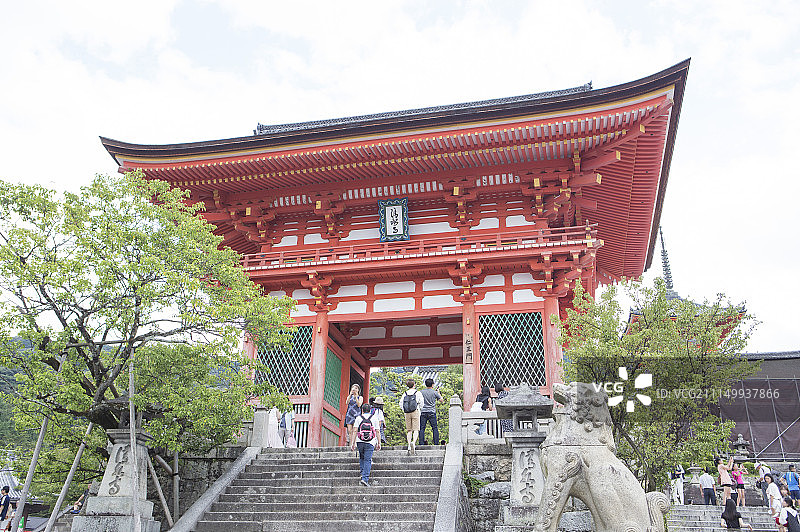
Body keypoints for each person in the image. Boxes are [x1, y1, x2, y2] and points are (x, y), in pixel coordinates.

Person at [351, 403, 381, 487]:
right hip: (370, 442)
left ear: (362, 410)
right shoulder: (374, 418)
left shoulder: (358, 418)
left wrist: (352, 443)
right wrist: (379, 443)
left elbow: (354, 430)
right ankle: (364, 478)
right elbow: (377, 431)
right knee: (367, 459)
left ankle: (362, 473)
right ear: (370, 410)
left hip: (359, 441)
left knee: (362, 457)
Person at [399, 379, 424, 455]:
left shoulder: (405, 393)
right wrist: (419, 409)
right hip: (415, 411)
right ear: (414, 385)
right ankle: (414, 442)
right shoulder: (417, 393)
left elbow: (401, 403)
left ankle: (409, 445)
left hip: (407, 412)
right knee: (416, 429)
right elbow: (422, 403)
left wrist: (404, 410)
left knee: (409, 430)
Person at [419, 378, 442, 446]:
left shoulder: (421, 392)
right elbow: (441, 400)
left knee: (422, 428)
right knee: (434, 428)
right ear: (432, 384)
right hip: (431, 412)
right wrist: (438, 393)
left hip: (423, 412)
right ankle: (436, 443)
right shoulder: (434, 392)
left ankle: (421, 443)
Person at [345, 384, 363, 448]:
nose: (354, 389)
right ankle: (351, 443)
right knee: (350, 430)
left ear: (358, 390)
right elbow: (347, 402)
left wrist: (356, 397)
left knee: (355, 430)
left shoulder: (360, 397)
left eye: (355, 388)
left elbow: (359, 405)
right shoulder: (350, 397)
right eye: (353, 388)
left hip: (356, 415)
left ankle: (354, 443)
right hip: (349, 415)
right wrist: (350, 395)